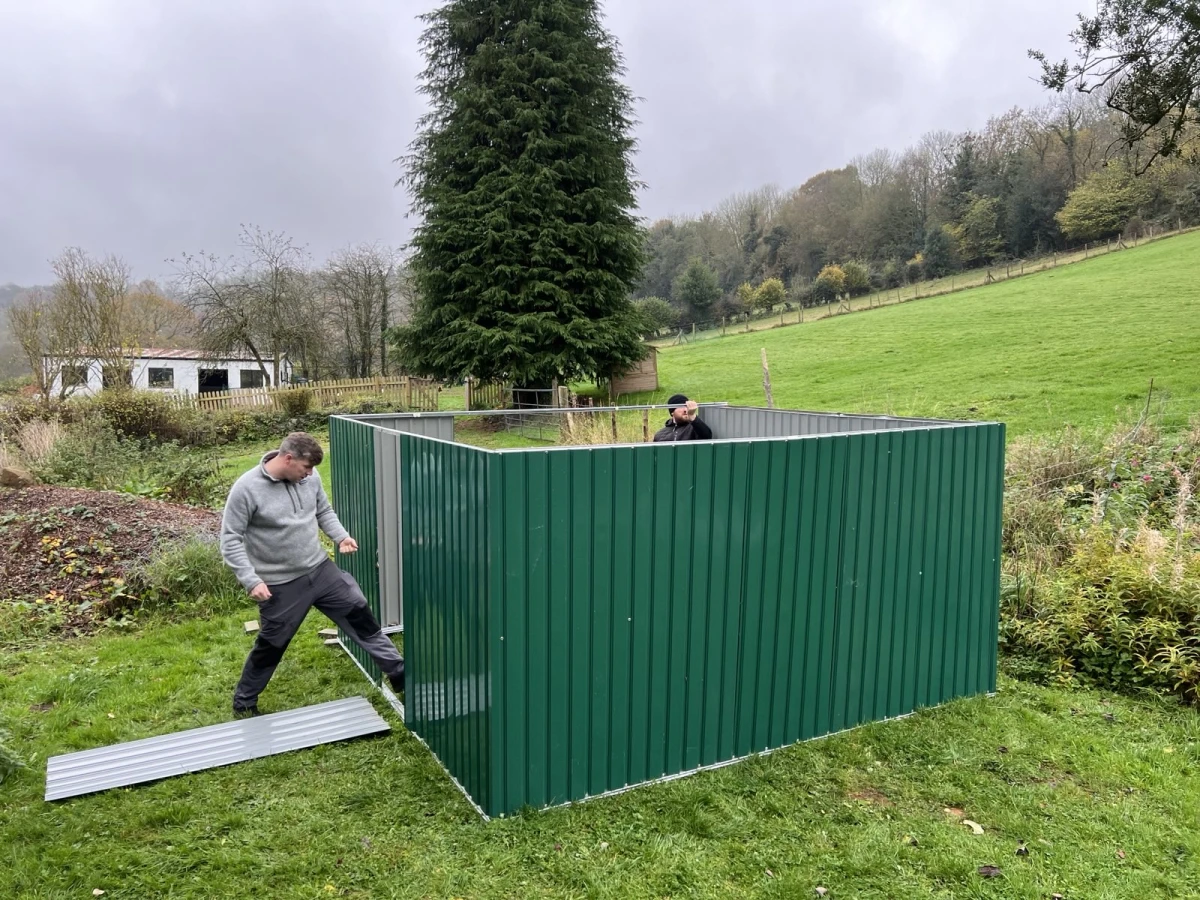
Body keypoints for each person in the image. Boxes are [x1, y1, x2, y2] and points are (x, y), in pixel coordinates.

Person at [219, 432, 404, 717]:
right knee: (272, 643)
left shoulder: (309, 478)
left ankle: (398, 670)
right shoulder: (247, 488)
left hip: (320, 570)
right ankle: (244, 701)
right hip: (280, 584)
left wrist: (340, 536)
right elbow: (230, 539)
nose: (310, 474)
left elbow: (323, 510)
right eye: (306, 467)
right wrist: (251, 579)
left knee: (358, 612)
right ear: (288, 458)